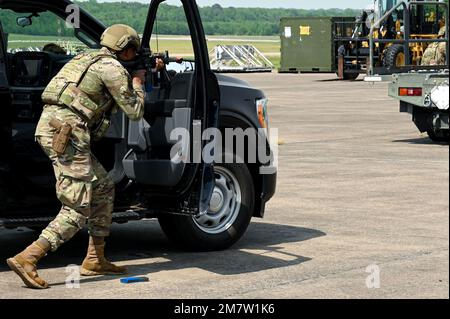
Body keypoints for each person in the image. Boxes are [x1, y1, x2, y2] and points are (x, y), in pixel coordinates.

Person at [6, 24, 149, 289]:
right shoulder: (113, 68)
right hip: (68, 135)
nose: (134, 54)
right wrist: (138, 80)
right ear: (126, 50)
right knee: (76, 208)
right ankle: (29, 257)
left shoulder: (85, 58)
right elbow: (135, 111)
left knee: (104, 186)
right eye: (133, 50)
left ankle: (95, 258)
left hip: (55, 128)